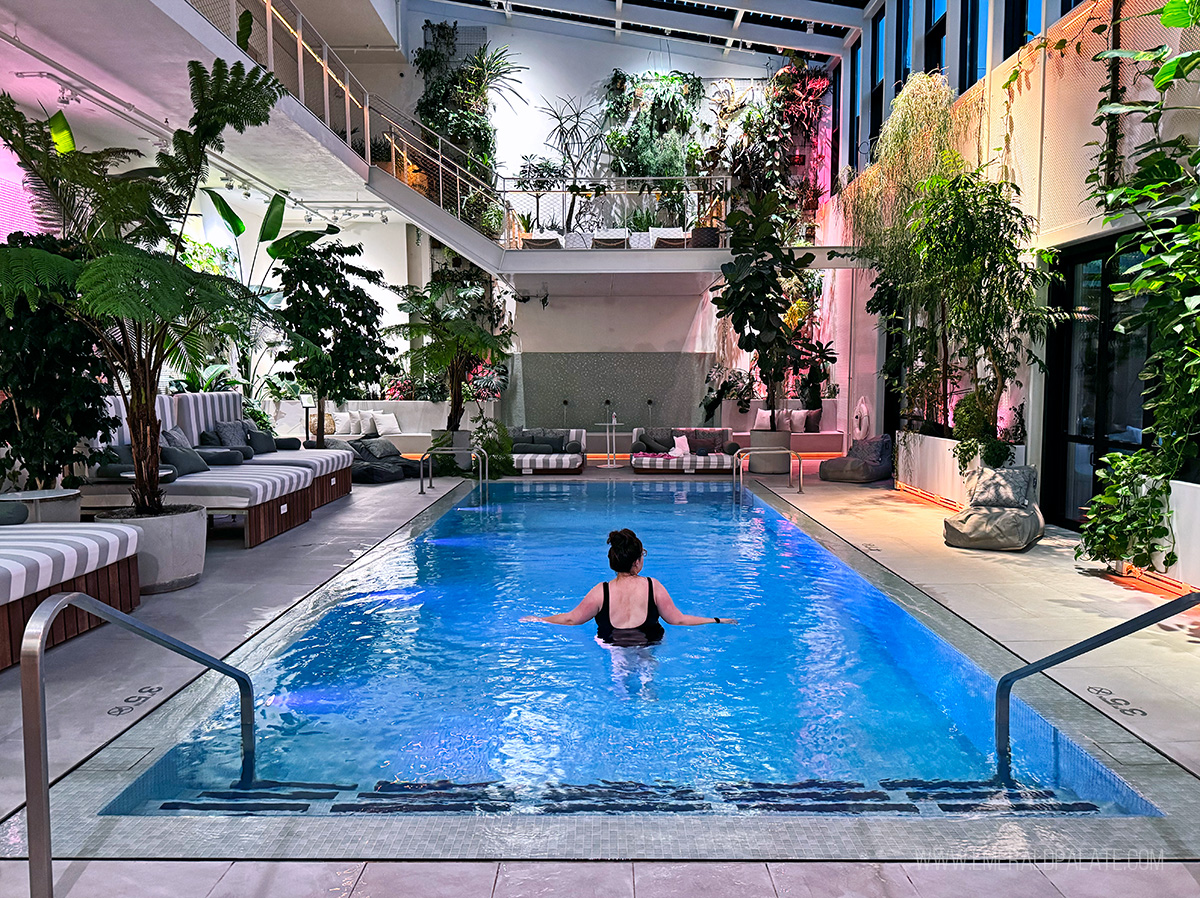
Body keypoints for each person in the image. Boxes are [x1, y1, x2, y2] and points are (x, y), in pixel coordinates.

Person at [521, 528, 737, 646]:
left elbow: (571, 619)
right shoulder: (653, 586)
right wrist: (717, 619)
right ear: (637, 562)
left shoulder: (601, 591)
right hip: (649, 641)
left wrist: (539, 619)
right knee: (647, 672)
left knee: (620, 674)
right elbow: (678, 620)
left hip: (611, 641)